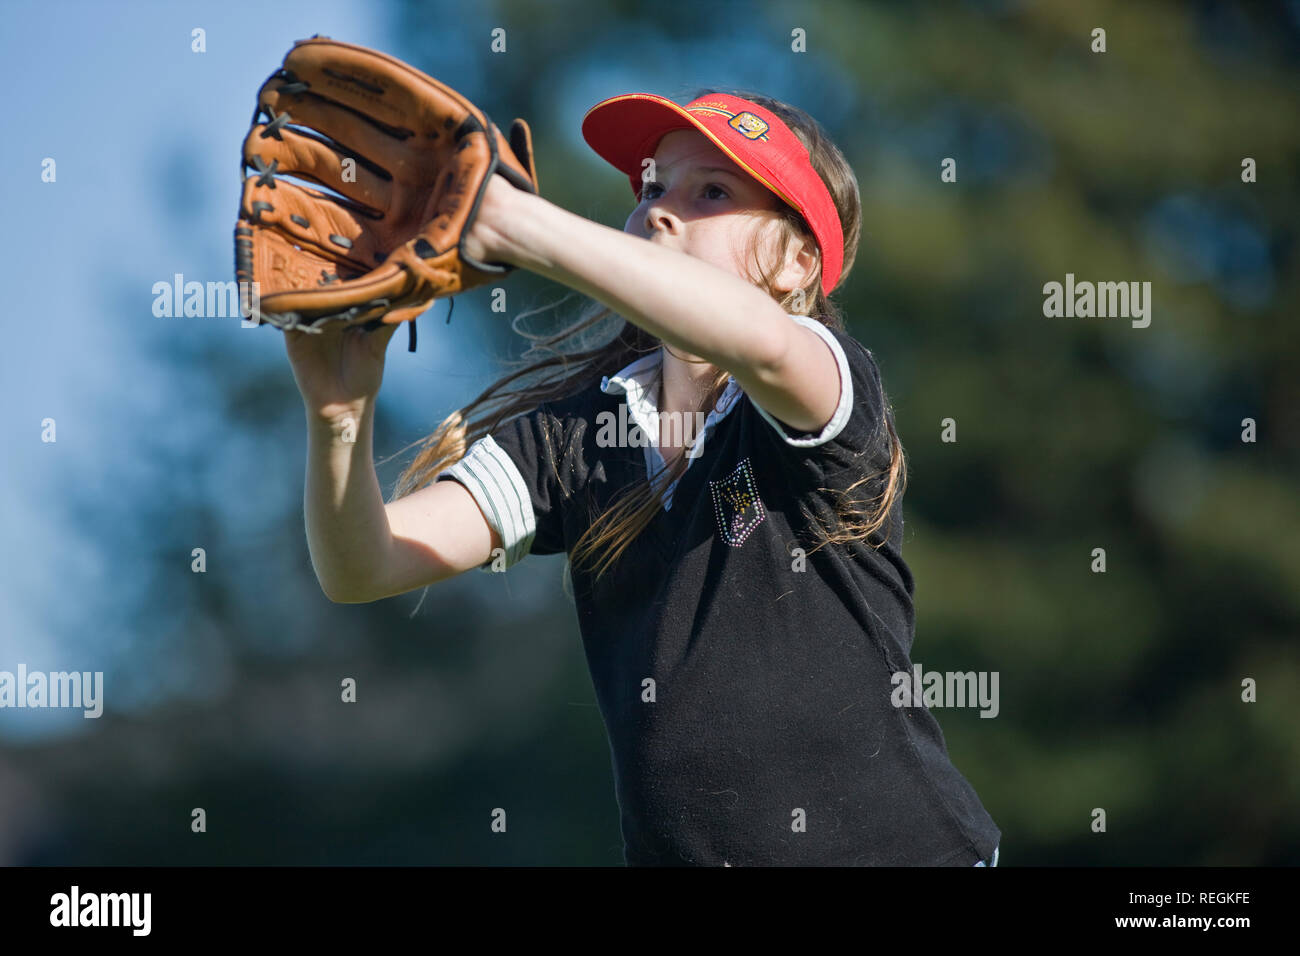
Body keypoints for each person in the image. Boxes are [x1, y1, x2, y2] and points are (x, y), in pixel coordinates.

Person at [285, 87, 1002, 867]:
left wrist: (511, 220)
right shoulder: (574, 435)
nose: (660, 209)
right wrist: (337, 418)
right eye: (653, 188)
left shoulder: (827, 379)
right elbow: (364, 565)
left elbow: (758, 342)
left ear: (801, 263)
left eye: (712, 193)